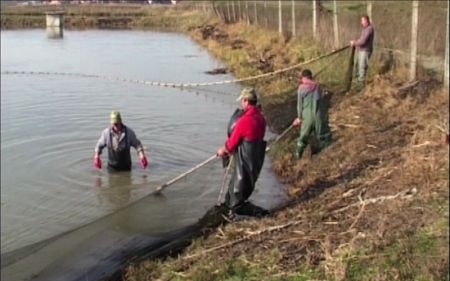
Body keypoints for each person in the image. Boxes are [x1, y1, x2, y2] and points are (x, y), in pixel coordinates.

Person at [217, 87, 268, 217]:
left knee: (235, 203)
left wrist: (222, 150)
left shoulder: (244, 121)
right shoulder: (261, 118)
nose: (241, 104)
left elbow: (231, 144)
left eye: (242, 101)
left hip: (244, 166)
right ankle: (233, 214)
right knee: (235, 196)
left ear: (246, 101)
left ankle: (262, 213)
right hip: (255, 163)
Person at [292, 69, 332, 160]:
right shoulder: (317, 86)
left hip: (307, 117)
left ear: (302, 78)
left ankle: (298, 157)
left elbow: (299, 105)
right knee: (324, 136)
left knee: (302, 138)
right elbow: (321, 101)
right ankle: (321, 153)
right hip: (318, 116)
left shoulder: (301, 88)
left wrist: (299, 118)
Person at [350, 15, 375, 86]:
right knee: (357, 65)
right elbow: (361, 39)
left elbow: (363, 41)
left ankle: (361, 83)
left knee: (362, 66)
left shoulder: (369, 29)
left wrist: (354, 43)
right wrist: (355, 41)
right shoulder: (364, 29)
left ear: (367, 21)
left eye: (362, 21)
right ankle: (357, 81)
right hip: (361, 50)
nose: (361, 23)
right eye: (361, 21)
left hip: (365, 51)